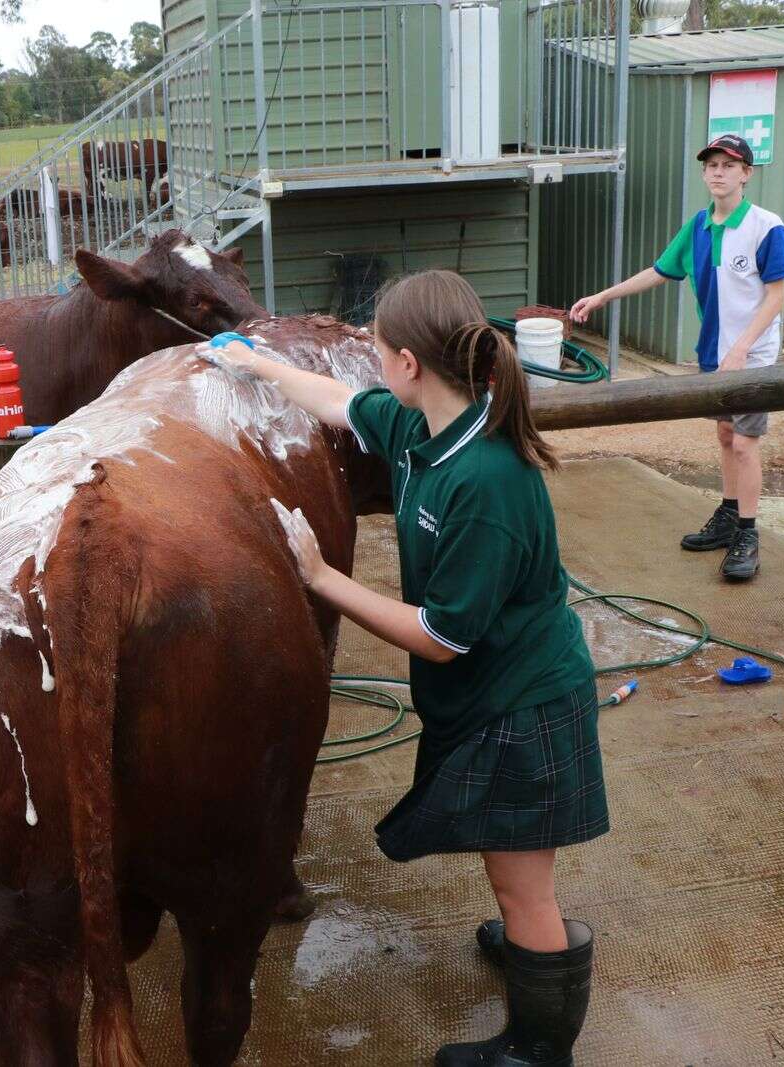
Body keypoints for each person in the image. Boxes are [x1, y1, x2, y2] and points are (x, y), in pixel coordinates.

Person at [206, 270, 606, 1066]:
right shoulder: (422, 425)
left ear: (410, 363)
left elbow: (439, 637)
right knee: (511, 874)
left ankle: (539, 1045)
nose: (369, 360)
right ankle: (532, 947)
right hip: (490, 697)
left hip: (526, 705)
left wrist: (323, 580)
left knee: (523, 885)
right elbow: (335, 400)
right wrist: (253, 363)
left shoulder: (486, 480)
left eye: (377, 347)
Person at [569, 132, 784, 582]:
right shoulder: (698, 227)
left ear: (746, 174)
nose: (718, 172)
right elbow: (658, 271)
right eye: (711, 165)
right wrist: (601, 296)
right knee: (727, 437)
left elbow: (775, 297)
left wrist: (743, 347)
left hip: (752, 356)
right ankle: (729, 516)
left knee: (747, 444)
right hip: (713, 355)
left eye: (729, 166)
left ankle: (749, 535)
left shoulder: (766, 227)